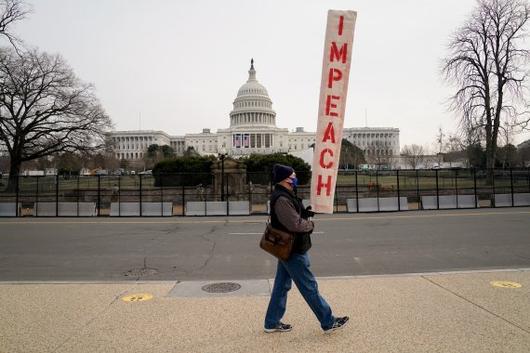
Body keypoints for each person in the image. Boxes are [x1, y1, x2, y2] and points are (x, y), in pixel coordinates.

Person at [264, 163, 349, 334]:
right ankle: (328, 321)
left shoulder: (286, 195)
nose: (295, 177)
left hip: (287, 248)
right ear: (286, 178)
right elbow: (294, 224)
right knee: (309, 287)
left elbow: (294, 216)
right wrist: (310, 225)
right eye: (292, 175)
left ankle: (271, 322)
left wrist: (306, 213)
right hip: (292, 249)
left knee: (282, 286)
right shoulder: (281, 198)